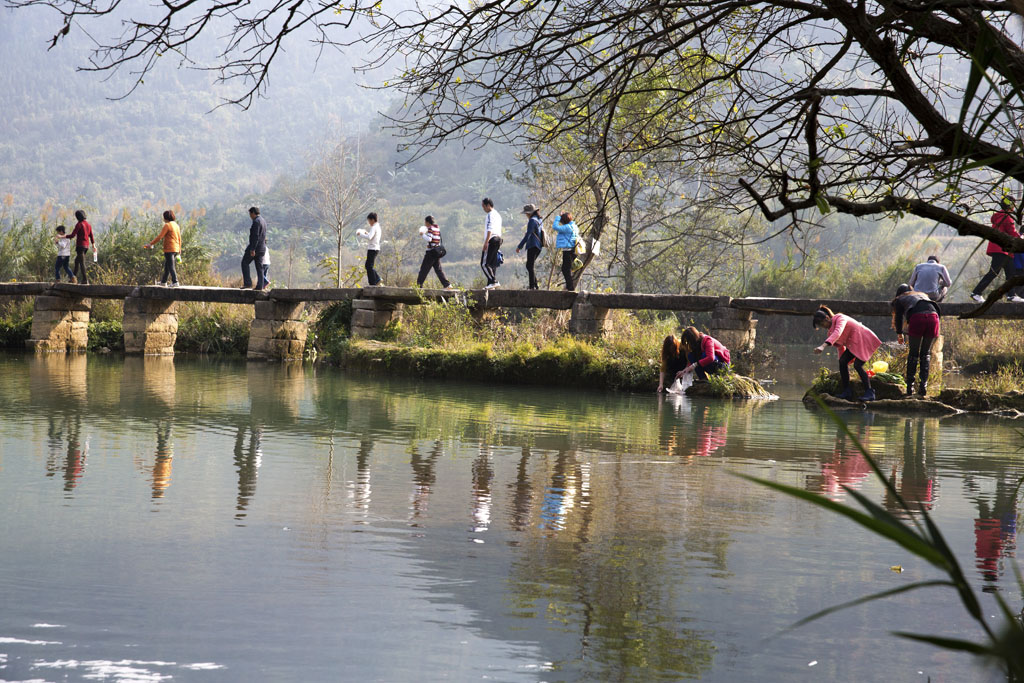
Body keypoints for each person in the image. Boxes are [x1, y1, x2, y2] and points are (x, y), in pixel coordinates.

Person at [813, 306, 882, 401]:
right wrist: (844, 362)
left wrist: (823, 346)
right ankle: (847, 391)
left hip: (863, 339)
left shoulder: (840, 318)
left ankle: (870, 392)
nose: (823, 327)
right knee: (842, 361)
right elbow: (840, 347)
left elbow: (838, 332)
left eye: (822, 324)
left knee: (858, 365)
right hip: (854, 344)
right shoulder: (830, 332)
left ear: (827, 318)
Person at [971, 198, 1024, 303]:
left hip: (999, 249)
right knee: (994, 273)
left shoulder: (998, 217)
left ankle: (1011, 295)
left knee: (1010, 273)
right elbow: (1013, 233)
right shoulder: (1007, 218)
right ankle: (976, 292)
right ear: (1011, 206)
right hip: (1002, 249)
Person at [892, 283, 940, 396]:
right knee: (925, 353)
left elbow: (899, 318)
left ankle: (910, 388)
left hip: (918, 318)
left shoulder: (900, 298)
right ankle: (923, 387)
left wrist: (899, 333)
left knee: (913, 354)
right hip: (934, 317)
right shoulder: (922, 294)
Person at [144, 210, 182, 287]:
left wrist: (150, 244)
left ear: (166, 218)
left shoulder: (167, 225)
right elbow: (179, 238)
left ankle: (175, 282)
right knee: (167, 266)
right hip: (176, 248)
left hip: (169, 249)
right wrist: (179, 249)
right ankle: (163, 282)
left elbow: (160, 236)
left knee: (171, 266)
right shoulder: (176, 225)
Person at [417, 215, 452, 289]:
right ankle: (447, 285)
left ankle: (418, 286)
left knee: (424, 269)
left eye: (425, 222)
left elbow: (429, 239)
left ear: (427, 222)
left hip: (431, 253)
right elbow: (436, 240)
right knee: (438, 270)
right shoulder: (437, 228)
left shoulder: (430, 228)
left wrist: (422, 234)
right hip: (437, 252)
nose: (425, 224)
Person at [516, 204, 544, 290]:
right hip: (538, 246)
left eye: (526, 214)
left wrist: (519, 246)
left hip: (533, 245)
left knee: (530, 265)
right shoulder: (539, 220)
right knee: (529, 265)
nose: (526, 215)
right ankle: (535, 285)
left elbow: (528, 235)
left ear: (529, 213)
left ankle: (532, 286)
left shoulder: (532, 221)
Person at [241, 206, 267, 290]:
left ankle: (248, 283)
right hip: (262, 248)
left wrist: (252, 249)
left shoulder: (256, 222)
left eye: (250, 214)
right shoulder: (263, 221)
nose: (250, 216)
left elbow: (255, 236)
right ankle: (260, 286)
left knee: (244, 262)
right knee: (259, 267)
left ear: (253, 213)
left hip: (255, 247)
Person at [551, 212, 578, 291]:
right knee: (566, 269)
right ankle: (569, 287)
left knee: (566, 269)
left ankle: (570, 288)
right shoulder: (574, 226)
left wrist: (558, 217)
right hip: (571, 250)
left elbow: (555, 227)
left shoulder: (567, 227)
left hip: (568, 251)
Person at [480, 197, 503, 289]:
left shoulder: (490, 214)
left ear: (488, 205)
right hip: (498, 239)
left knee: (484, 263)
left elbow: (490, 228)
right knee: (492, 263)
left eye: (483, 206)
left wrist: (486, 242)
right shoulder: (498, 215)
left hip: (492, 239)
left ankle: (493, 281)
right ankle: (490, 284)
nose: (483, 209)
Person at [356, 212, 383, 286]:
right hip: (375, 248)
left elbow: (369, 237)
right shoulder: (377, 227)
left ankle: (373, 282)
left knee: (368, 266)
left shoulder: (374, 227)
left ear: (372, 220)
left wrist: (361, 234)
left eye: (369, 221)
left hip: (372, 248)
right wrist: (367, 233)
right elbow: (371, 236)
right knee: (368, 265)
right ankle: (376, 279)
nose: (369, 223)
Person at [69, 209, 95, 285]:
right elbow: (91, 235)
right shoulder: (88, 225)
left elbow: (73, 235)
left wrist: (64, 236)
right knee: (77, 261)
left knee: (82, 263)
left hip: (80, 246)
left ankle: (85, 280)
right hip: (86, 246)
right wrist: (93, 244)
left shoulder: (79, 224)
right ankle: (73, 278)